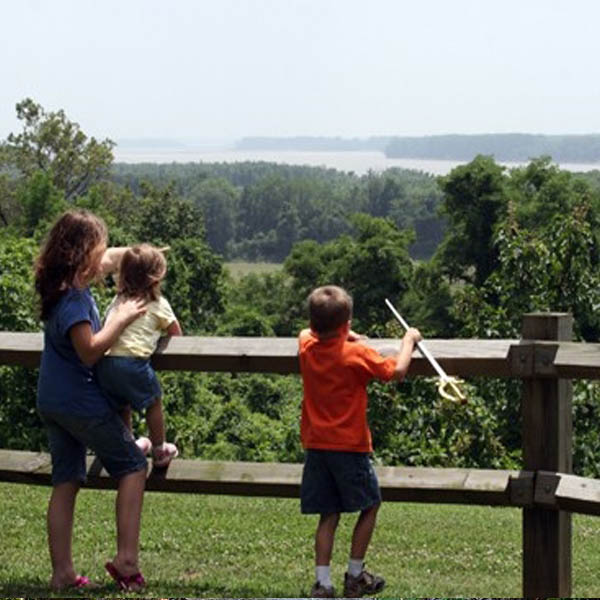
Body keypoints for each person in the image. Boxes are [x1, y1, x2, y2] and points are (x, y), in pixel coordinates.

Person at [35, 210, 148, 592]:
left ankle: (62, 573)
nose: (105, 259)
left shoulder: (57, 287)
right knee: (133, 464)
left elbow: (112, 258)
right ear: (84, 253)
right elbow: (90, 351)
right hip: (79, 402)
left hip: (52, 400)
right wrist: (124, 317)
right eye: (98, 248)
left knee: (66, 481)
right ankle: (126, 559)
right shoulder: (76, 301)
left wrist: (136, 253)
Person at [298, 285, 422, 598]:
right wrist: (409, 341)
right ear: (347, 324)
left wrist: (343, 334)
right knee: (370, 505)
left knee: (329, 513)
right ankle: (355, 575)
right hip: (350, 447)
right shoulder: (355, 354)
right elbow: (397, 370)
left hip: (316, 445)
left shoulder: (307, 346)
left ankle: (322, 583)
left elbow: (306, 332)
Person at [96, 243, 182, 467]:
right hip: (133, 362)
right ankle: (159, 449)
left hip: (104, 363)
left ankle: (130, 443)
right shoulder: (158, 303)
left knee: (121, 405)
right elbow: (176, 333)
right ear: (156, 279)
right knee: (153, 402)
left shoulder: (118, 301)